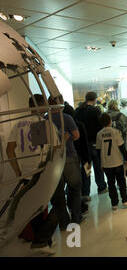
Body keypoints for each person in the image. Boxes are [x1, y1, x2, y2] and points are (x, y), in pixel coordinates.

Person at [5, 94, 61, 255]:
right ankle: (41, 241)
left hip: (27, 172)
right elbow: (52, 149)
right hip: (41, 172)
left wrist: (18, 171)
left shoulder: (18, 125)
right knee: (56, 206)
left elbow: (10, 150)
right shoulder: (43, 124)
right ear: (41, 106)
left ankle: (44, 240)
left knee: (36, 207)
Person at [47, 96, 83, 226]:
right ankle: (76, 218)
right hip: (68, 156)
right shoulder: (66, 118)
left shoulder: (45, 119)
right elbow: (76, 135)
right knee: (74, 188)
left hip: (52, 160)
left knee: (58, 193)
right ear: (60, 103)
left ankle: (63, 222)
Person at [96, 113, 127, 210]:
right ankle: (125, 200)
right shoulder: (115, 132)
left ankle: (114, 204)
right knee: (121, 182)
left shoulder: (99, 134)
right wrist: (126, 158)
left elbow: (98, 150)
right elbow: (122, 147)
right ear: (110, 121)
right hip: (117, 161)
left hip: (106, 163)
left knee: (111, 183)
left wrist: (100, 163)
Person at [75, 91, 108, 195]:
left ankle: (85, 192)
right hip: (94, 142)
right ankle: (101, 187)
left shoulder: (78, 111)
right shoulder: (96, 110)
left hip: (83, 144)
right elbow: (100, 126)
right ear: (94, 99)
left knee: (86, 168)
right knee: (98, 166)